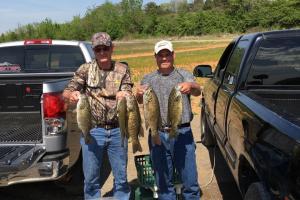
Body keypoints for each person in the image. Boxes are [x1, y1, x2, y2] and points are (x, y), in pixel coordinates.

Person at [63, 32, 132, 200]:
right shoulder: (85, 70)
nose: (102, 52)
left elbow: (128, 91)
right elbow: (67, 91)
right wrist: (71, 95)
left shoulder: (122, 69)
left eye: (105, 48)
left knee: (121, 178)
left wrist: (125, 94)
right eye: (98, 49)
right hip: (93, 131)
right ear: (94, 50)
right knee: (92, 179)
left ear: (112, 49)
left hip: (118, 130)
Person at [136, 40, 201, 200]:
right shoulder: (148, 79)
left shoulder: (183, 74)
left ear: (173, 55)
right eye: (160, 55)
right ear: (155, 57)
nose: (164, 58)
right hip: (157, 134)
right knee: (164, 184)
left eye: (167, 54)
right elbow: (139, 100)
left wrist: (191, 86)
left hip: (182, 131)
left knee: (190, 181)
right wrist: (138, 94)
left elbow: (198, 90)